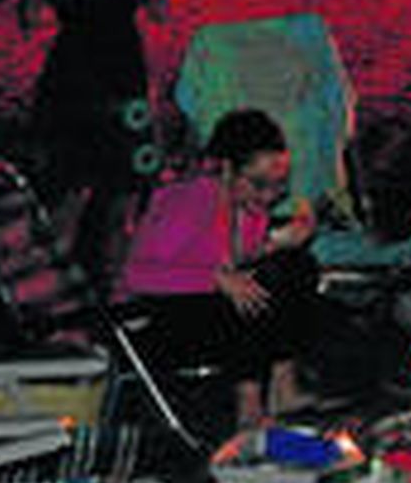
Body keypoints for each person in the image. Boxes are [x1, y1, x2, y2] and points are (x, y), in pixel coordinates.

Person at [20, 0, 206, 289]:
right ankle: (113, 288)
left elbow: (31, 18)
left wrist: (77, 5)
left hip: (66, 70)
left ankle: (49, 293)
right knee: (124, 186)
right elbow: (162, 12)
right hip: (117, 69)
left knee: (65, 186)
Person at [117, 108, 319, 431]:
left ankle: (283, 386)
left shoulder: (248, 207)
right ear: (227, 169)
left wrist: (276, 244)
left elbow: (236, 259)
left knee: (294, 266)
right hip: (153, 318)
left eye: (279, 185)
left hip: (208, 308)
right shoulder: (191, 199)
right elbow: (136, 275)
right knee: (247, 291)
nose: (269, 195)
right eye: (260, 184)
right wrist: (214, 279)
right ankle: (249, 406)